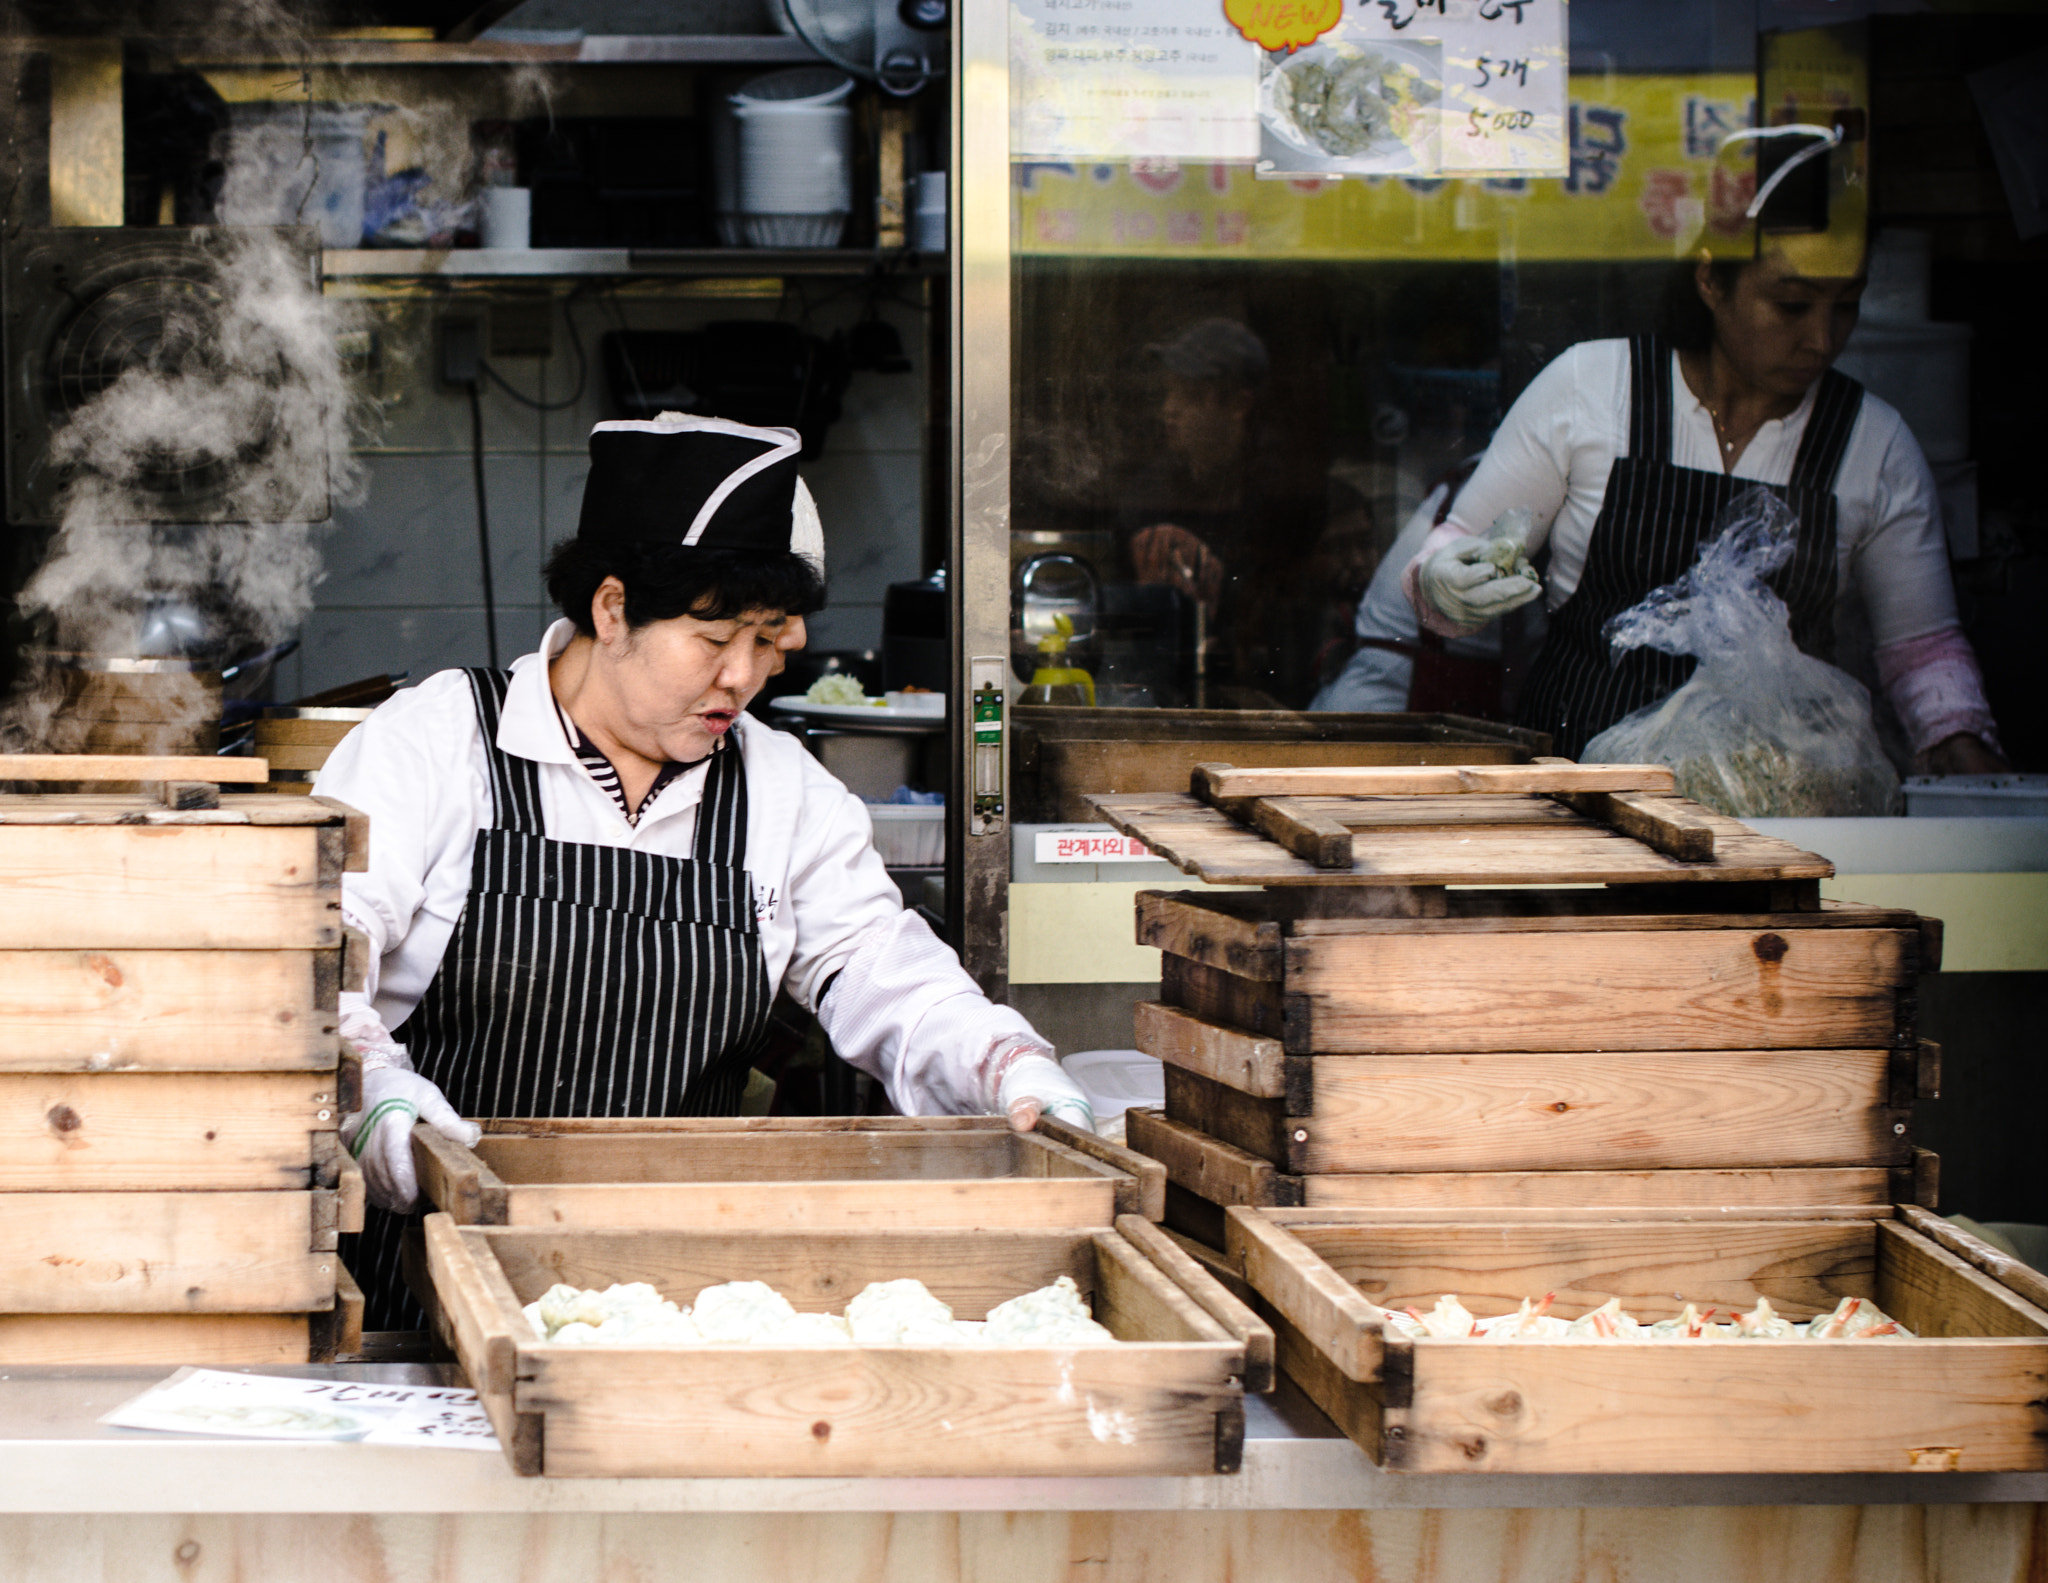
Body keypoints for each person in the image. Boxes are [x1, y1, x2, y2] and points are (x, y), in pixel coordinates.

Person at [318, 413, 1092, 1326]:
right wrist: (369, 1087)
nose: (742, 676)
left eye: (768, 642)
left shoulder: (779, 788)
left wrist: (1007, 1064)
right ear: (611, 610)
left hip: (675, 1301)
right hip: (424, 1293)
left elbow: (885, 973)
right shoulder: (440, 739)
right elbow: (317, 959)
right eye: (713, 635)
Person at [1401, 243, 2005, 769]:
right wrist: (1441, 581)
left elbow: (1921, 648)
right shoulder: (1592, 387)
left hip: (1788, 810)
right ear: (1710, 280)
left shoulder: (1875, 443)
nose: (1823, 339)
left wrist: (1957, 736)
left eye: (1846, 304)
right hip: (1584, 788)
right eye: (1793, 305)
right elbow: (1464, 542)